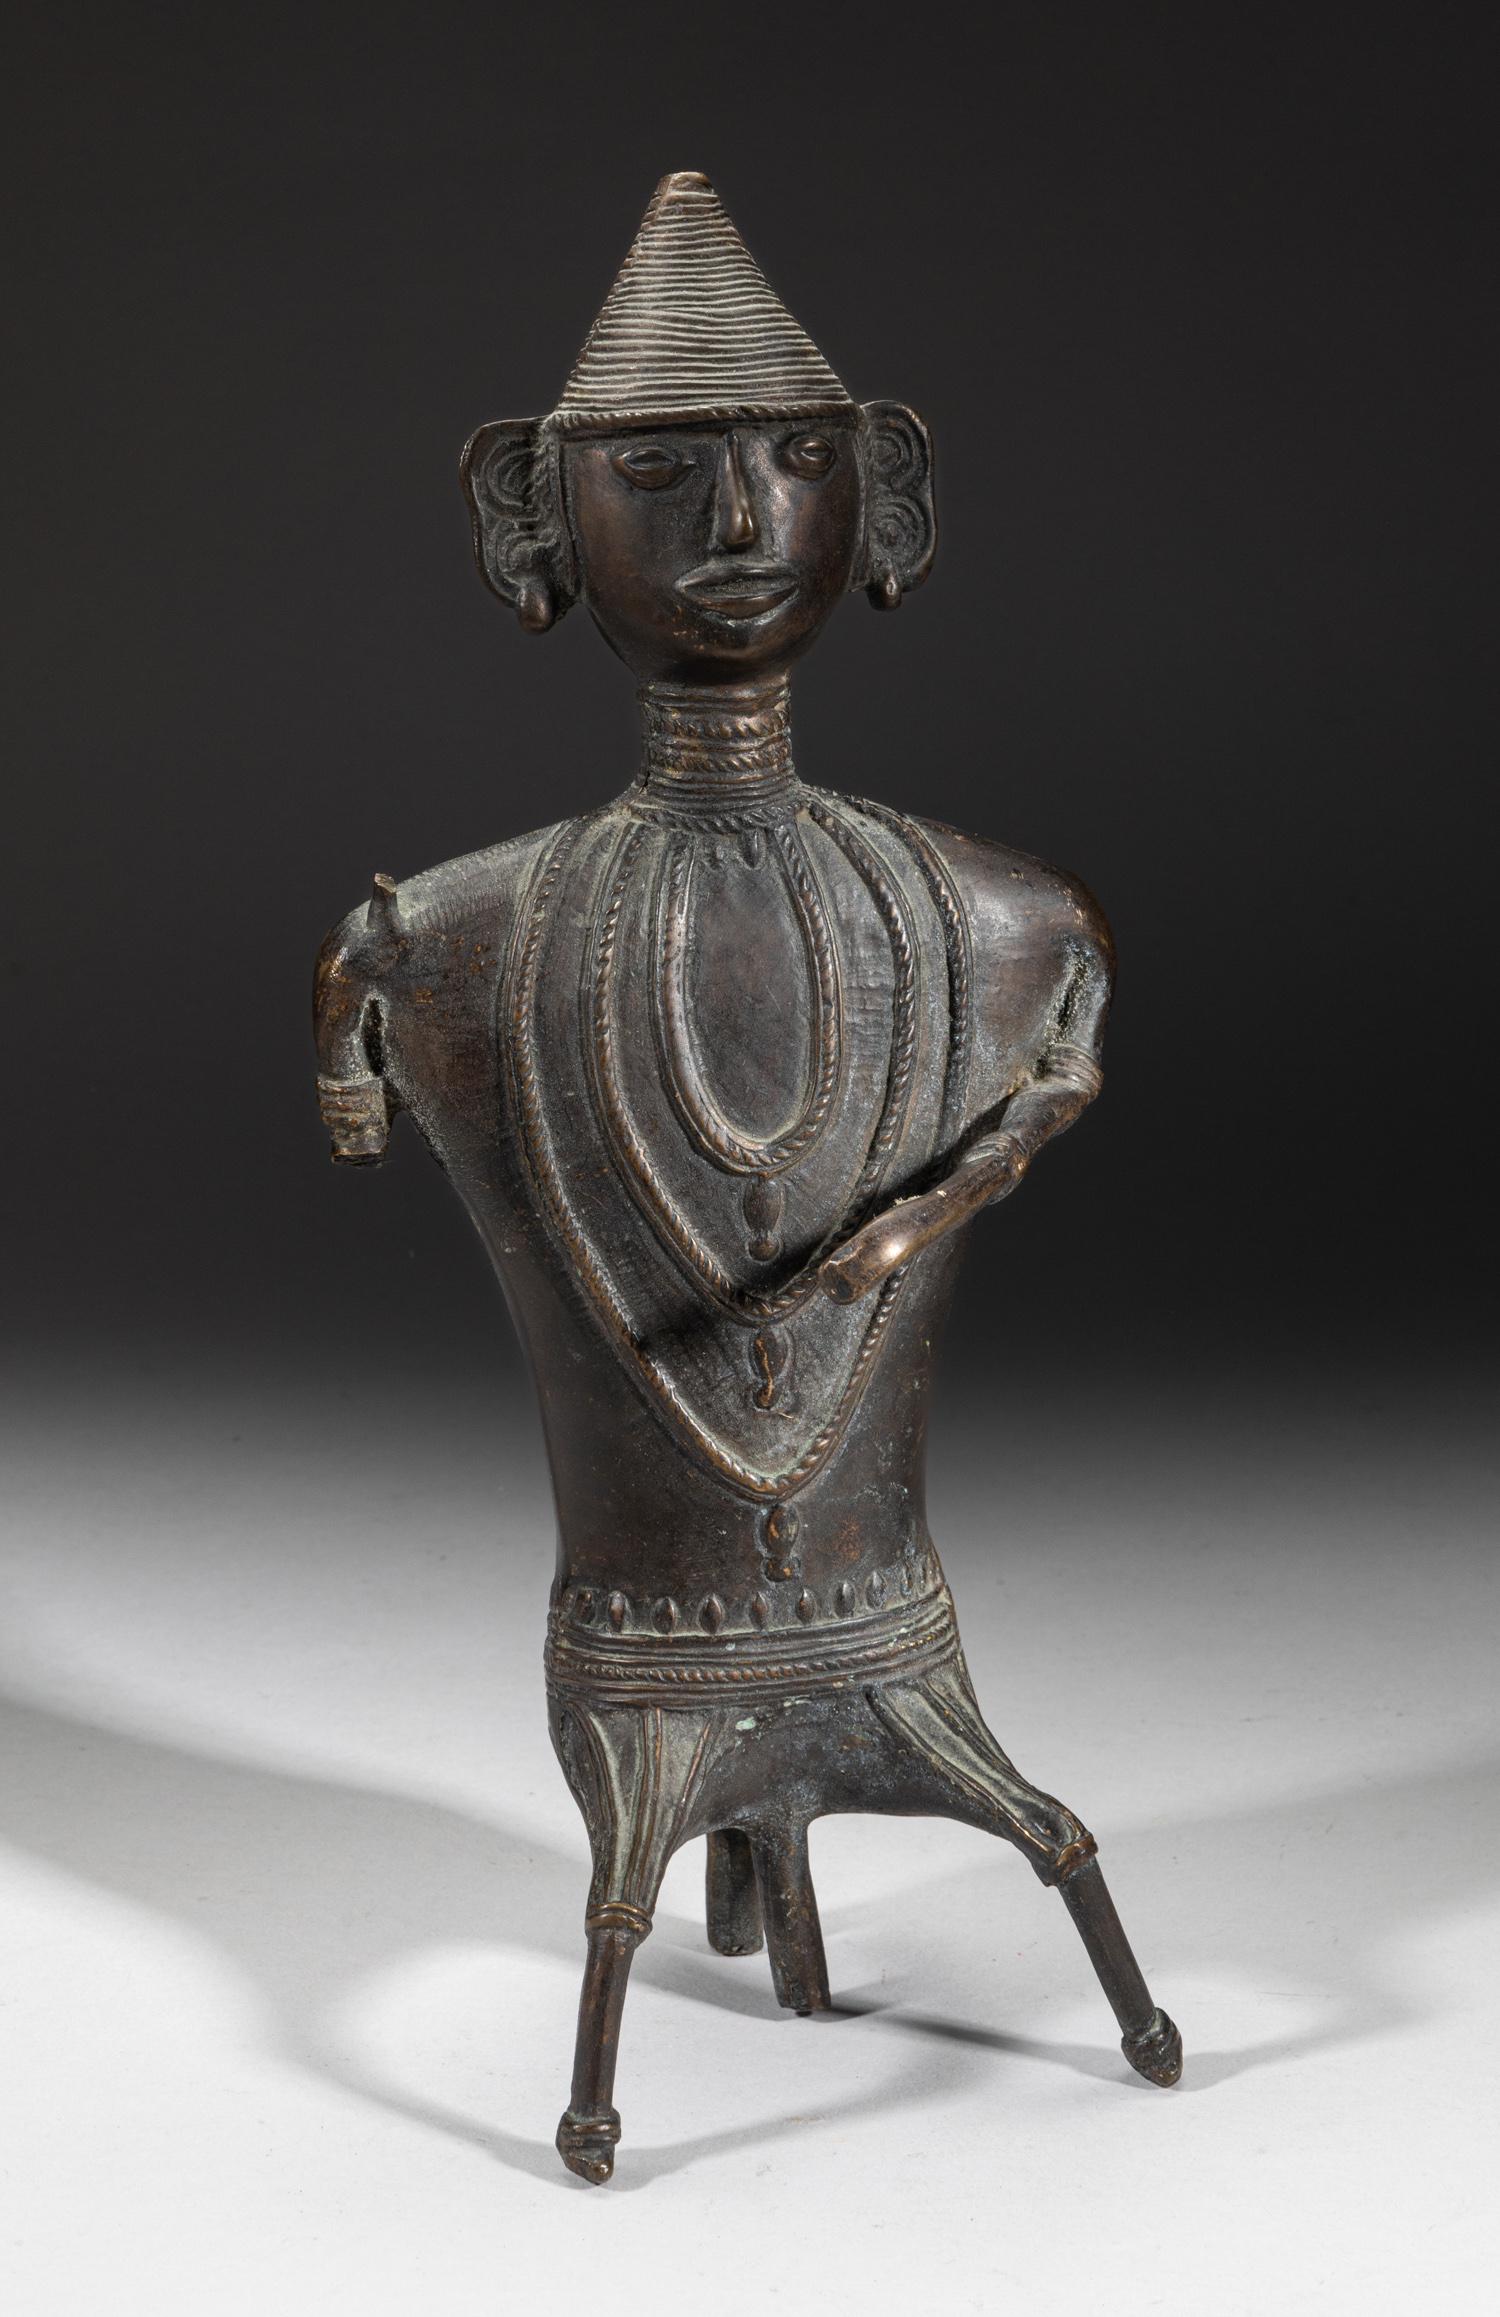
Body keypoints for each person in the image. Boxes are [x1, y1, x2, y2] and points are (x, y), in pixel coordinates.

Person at [315, 170, 1180, 2185]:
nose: (739, 524)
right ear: (529, 513)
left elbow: (1058, 1064)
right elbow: (366, 1001)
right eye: (661, 471)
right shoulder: (454, 943)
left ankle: (742, 1849)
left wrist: (915, 1206)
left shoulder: (998, 923)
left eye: (796, 463)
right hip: (641, 1614)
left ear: (886, 494)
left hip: (882, 1605)